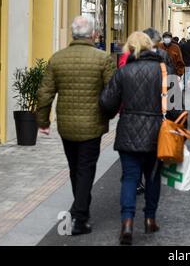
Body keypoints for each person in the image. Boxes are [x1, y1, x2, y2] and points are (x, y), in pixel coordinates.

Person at [36, 16, 116, 235]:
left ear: (73, 34)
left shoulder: (57, 58)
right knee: (86, 168)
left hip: (66, 125)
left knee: (75, 168)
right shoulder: (103, 59)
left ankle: (81, 209)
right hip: (92, 125)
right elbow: (113, 92)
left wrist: (42, 121)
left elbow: (45, 93)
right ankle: (80, 217)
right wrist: (109, 114)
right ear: (92, 34)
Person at [100, 32, 179, 245]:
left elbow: (107, 103)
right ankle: (150, 219)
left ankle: (127, 222)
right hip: (157, 133)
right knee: (153, 178)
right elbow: (175, 108)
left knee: (129, 178)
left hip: (128, 132)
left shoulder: (123, 72)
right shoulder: (165, 71)